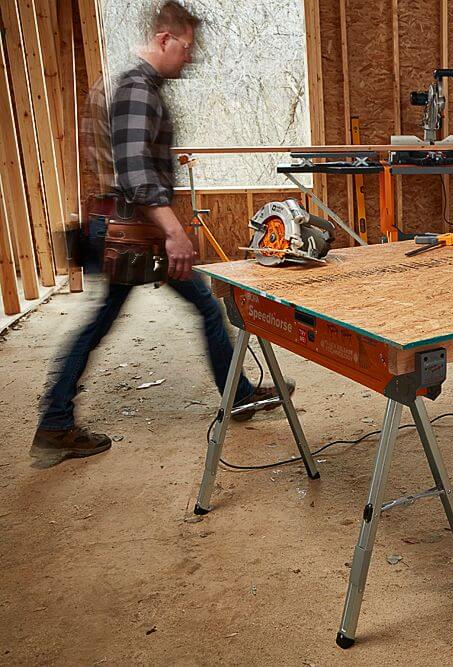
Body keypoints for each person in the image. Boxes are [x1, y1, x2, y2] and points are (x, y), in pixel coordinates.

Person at [32, 1, 288, 466]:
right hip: (132, 231)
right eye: (186, 47)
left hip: (132, 229)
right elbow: (135, 173)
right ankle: (55, 422)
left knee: (152, 312)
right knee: (190, 307)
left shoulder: (140, 86)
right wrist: (174, 232)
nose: (190, 57)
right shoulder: (136, 89)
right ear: (164, 39)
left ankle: (57, 420)